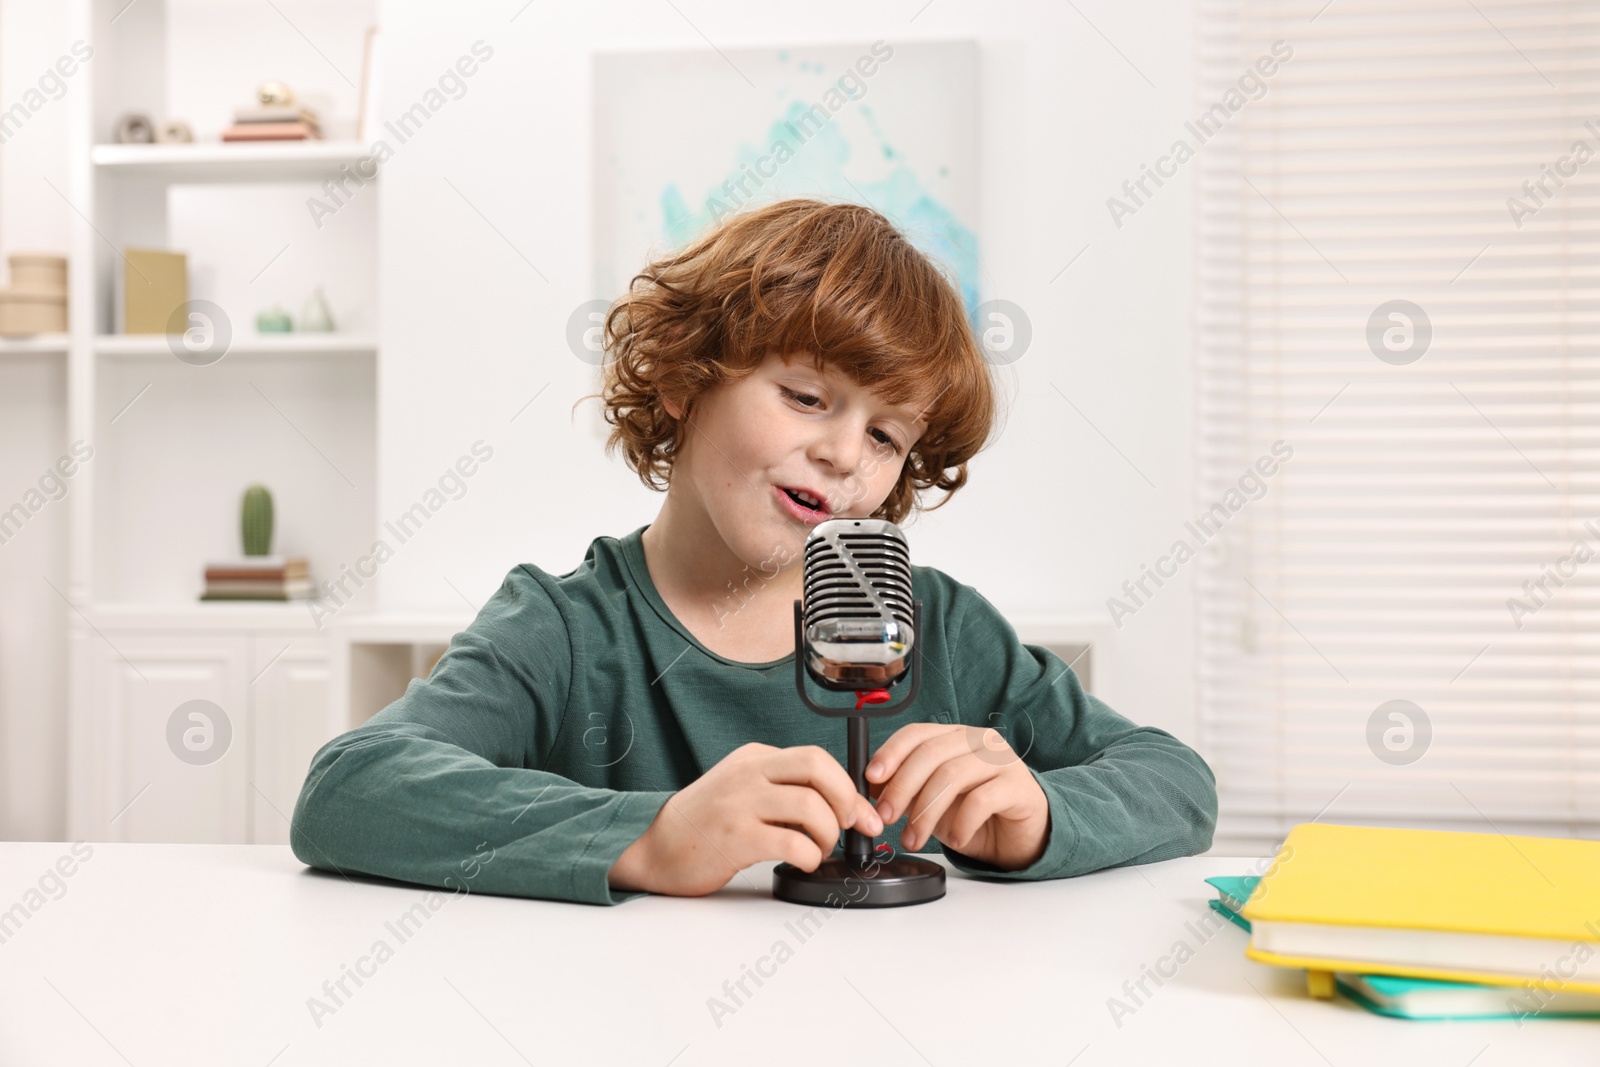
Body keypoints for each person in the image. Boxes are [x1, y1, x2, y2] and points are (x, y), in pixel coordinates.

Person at [289, 198, 1217, 905]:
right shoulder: (566, 630)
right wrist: (649, 836)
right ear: (686, 380)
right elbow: (349, 790)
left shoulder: (938, 628)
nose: (848, 456)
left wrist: (1044, 819)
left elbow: (1177, 782)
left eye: (888, 436)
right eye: (808, 397)